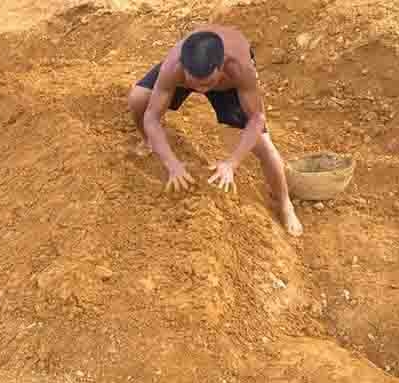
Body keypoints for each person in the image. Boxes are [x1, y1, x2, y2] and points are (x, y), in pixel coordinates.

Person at [127, 25, 304, 236]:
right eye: (196, 84)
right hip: (195, 72)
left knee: (264, 145)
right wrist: (172, 164)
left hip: (227, 85)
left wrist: (231, 163)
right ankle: (149, 141)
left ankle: (285, 204)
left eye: (208, 84)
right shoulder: (173, 67)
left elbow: (257, 119)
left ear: (221, 66)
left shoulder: (240, 68)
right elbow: (152, 116)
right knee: (137, 100)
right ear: (184, 67)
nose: (202, 90)